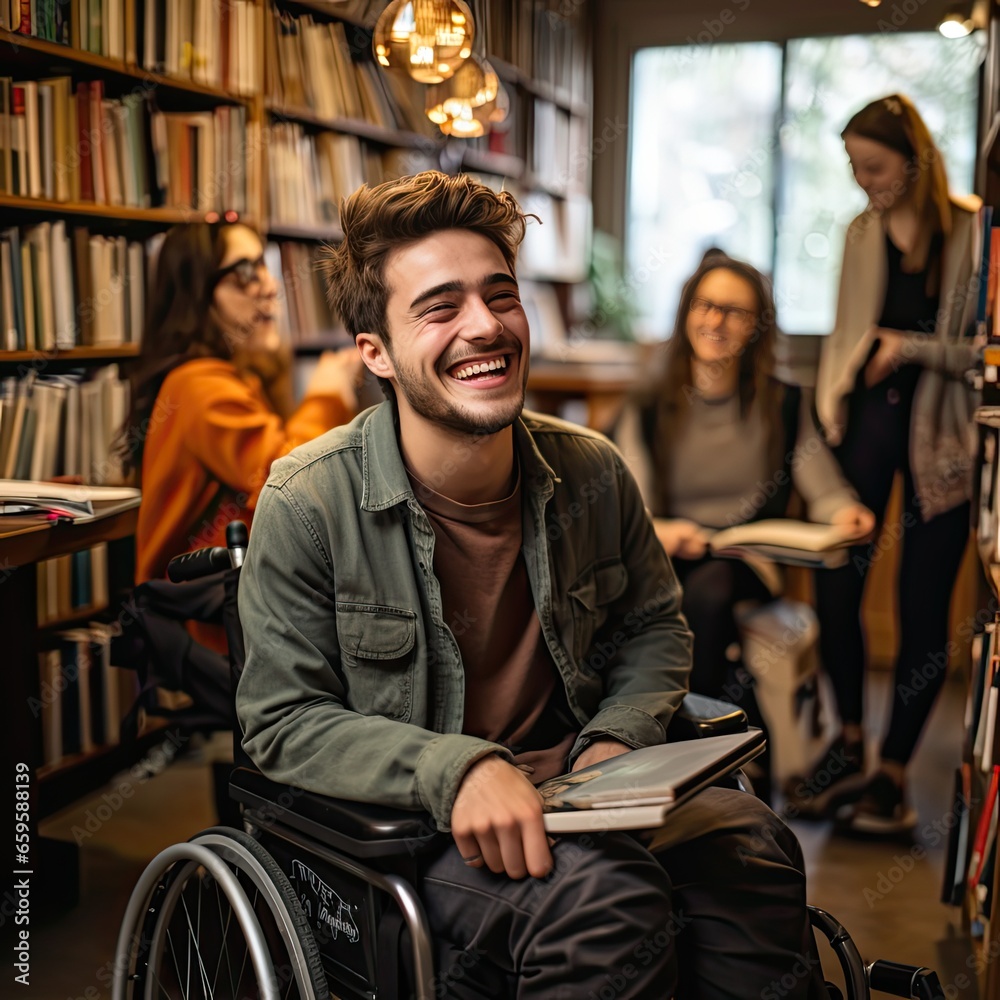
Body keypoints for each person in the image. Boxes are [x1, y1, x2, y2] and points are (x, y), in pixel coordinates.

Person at [235, 171, 828, 999]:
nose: (484, 326)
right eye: (440, 307)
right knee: (605, 903)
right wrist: (458, 769)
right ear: (374, 350)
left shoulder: (593, 470)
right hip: (422, 833)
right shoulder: (307, 501)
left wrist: (621, 736)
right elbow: (283, 721)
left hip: (590, 793)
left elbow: (656, 625)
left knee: (756, 846)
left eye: (499, 295)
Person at [621, 250, 874, 804]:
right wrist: (665, 531)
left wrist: (845, 513)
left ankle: (697, 749)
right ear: (687, 311)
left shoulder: (783, 403)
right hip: (669, 556)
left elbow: (824, 486)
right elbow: (629, 507)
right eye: (706, 306)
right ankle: (732, 744)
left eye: (735, 312)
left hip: (748, 563)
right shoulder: (648, 401)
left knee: (710, 591)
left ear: (757, 325)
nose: (716, 322)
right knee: (695, 591)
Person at [795, 94, 982, 835]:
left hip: (946, 439)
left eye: (872, 166)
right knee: (835, 580)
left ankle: (893, 774)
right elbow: (846, 336)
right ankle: (846, 742)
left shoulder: (973, 231)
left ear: (914, 159)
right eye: (851, 167)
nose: (862, 180)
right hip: (867, 423)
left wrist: (907, 348)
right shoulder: (860, 231)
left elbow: (984, 355)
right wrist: (829, 406)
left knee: (921, 607)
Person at [120, 220, 363, 601]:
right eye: (245, 272)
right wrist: (326, 396)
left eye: (264, 266)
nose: (270, 286)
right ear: (198, 292)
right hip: (206, 623)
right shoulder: (198, 384)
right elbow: (288, 475)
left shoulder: (236, 377)